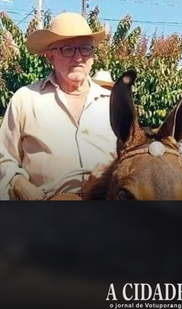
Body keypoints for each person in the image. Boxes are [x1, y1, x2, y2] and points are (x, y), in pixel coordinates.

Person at [0, 12, 117, 200]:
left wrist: (109, 174)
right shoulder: (26, 99)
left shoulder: (112, 102)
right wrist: (19, 184)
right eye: (68, 49)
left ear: (93, 55)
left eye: (85, 48)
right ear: (50, 57)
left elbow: (130, 156)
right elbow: (3, 158)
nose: (78, 57)